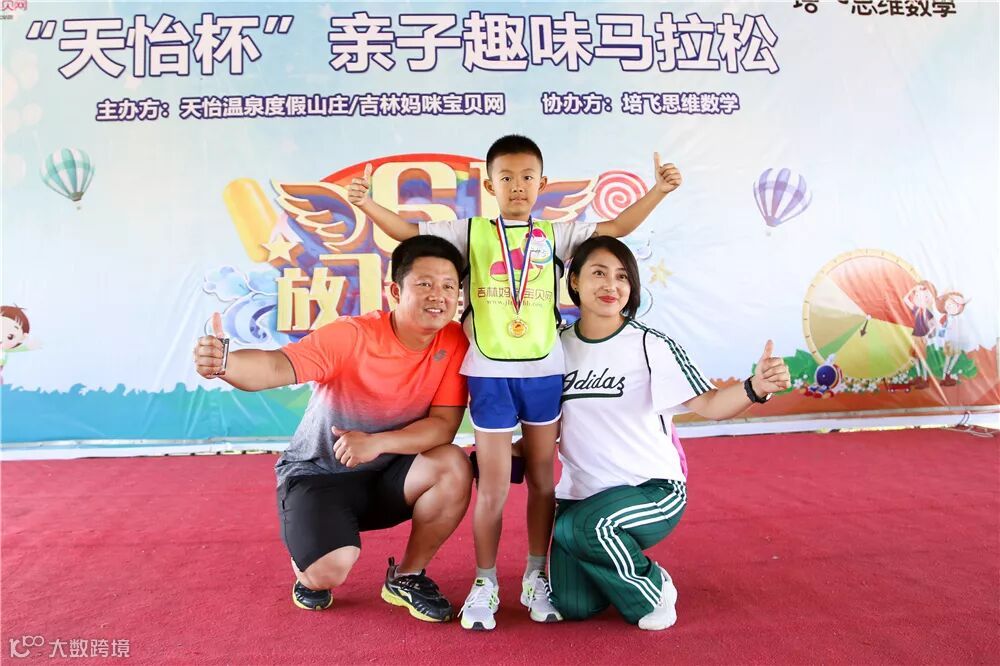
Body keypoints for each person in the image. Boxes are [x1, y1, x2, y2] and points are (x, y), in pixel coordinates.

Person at [348, 135, 682, 630]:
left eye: (527, 177)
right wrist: (367, 204)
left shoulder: (556, 234)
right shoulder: (470, 231)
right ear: (490, 185)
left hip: (544, 373)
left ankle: (535, 575)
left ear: (542, 183)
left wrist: (658, 191)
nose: (518, 186)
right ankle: (485, 581)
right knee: (494, 486)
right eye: (506, 177)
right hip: (489, 375)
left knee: (544, 480)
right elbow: (408, 232)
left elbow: (615, 228)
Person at [191, 236, 473, 622]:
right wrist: (225, 364)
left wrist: (377, 443)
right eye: (424, 283)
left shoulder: (453, 340)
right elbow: (275, 366)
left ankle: (407, 576)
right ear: (395, 291)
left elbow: (442, 427)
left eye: (448, 286)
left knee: (453, 464)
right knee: (329, 571)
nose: (437, 295)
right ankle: (311, 561)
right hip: (320, 475)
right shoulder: (352, 335)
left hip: (389, 476)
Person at [550, 236, 791, 631]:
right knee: (573, 604)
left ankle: (653, 586)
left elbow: (710, 403)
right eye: (599, 273)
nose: (611, 285)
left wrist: (756, 387)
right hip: (582, 497)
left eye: (622, 276)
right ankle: (612, 566)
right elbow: (546, 427)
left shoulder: (650, 344)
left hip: (652, 490)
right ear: (574, 280)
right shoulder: (556, 347)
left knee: (584, 529)